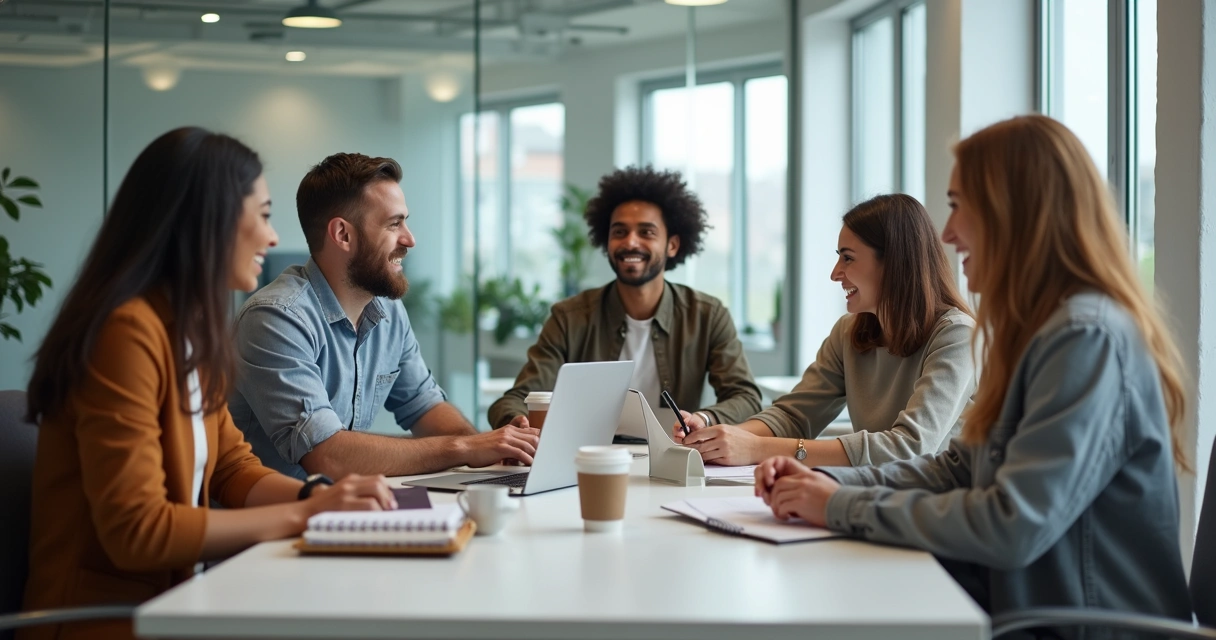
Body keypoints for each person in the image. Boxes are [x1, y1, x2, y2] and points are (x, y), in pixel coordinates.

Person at [755, 115, 1192, 629]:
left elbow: (1012, 524)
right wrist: (825, 480)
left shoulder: (1085, 338)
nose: (947, 231)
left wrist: (840, 505)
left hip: (1070, 626)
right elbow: (956, 469)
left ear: (1016, 212)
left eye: (960, 205)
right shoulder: (1038, 331)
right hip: (1017, 604)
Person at [20, 128, 393, 640]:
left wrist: (318, 498)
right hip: (101, 623)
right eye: (262, 215)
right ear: (210, 218)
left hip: (178, 603)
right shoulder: (126, 333)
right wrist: (307, 517)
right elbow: (138, 531)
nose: (272, 236)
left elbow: (231, 467)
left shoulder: (187, 330)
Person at [229, 153, 539, 479]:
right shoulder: (275, 319)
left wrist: (497, 448)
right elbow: (327, 456)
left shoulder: (387, 310)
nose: (410, 239)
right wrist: (465, 449)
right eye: (394, 224)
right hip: (270, 523)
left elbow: (424, 405)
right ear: (343, 235)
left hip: (346, 511)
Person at [676, 194, 975, 467]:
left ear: (894, 262)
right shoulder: (849, 333)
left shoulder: (957, 336)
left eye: (848, 257)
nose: (835, 273)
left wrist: (756, 449)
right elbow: (793, 415)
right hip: (878, 496)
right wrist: (722, 440)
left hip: (943, 509)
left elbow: (907, 448)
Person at [487, 165, 762, 431]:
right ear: (606, 242)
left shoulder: (706, 316)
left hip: (674, 457)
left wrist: (705, 419)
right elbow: (518, 398)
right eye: (619, 232)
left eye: (646, 232)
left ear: (673, 245)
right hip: (589, 456)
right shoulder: (569, 317)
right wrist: (517, 422)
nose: (630, 242)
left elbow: (746, 397)